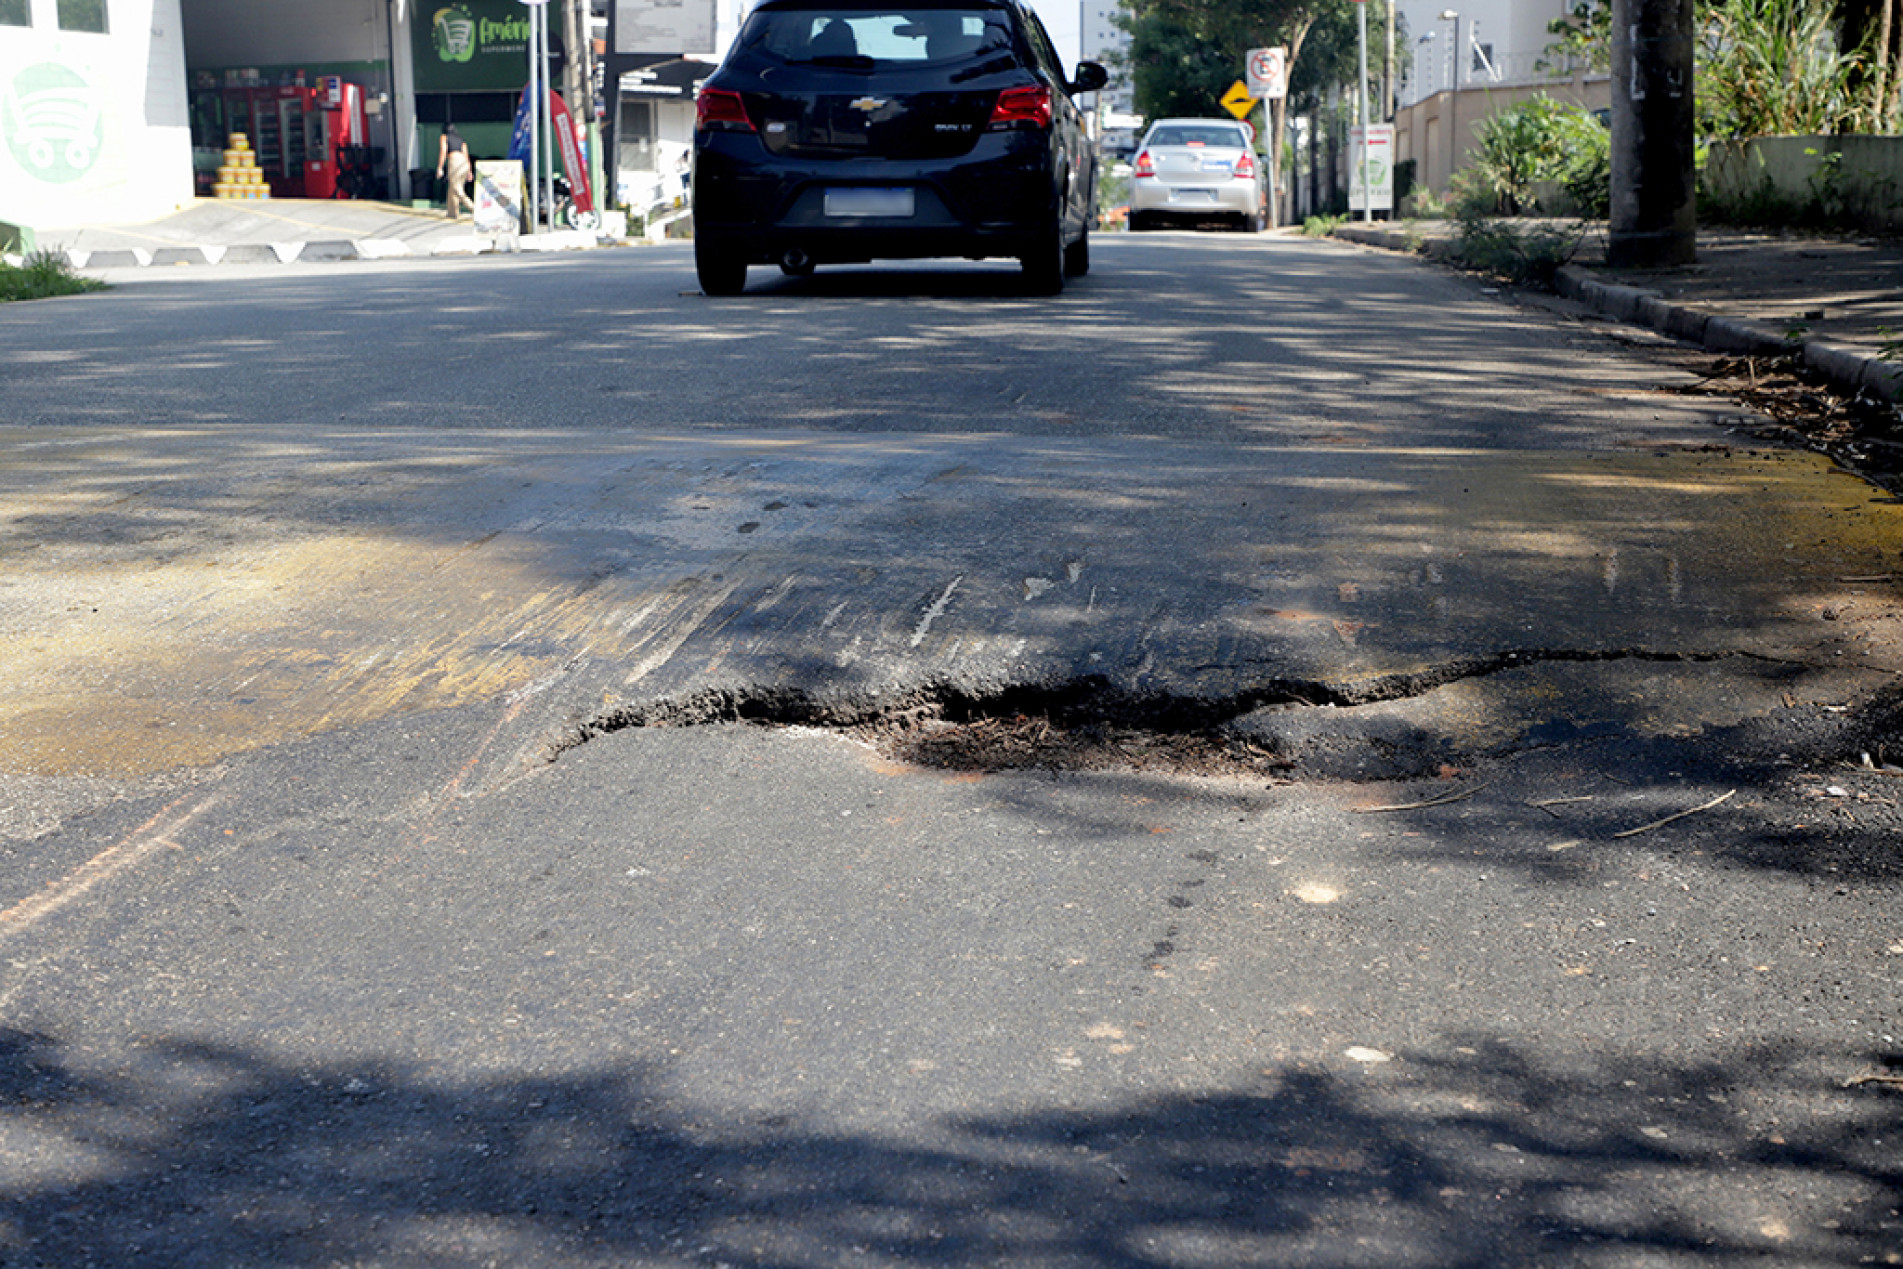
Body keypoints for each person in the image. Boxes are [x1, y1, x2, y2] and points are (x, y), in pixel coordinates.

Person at [437, 124, 474, 220]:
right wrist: (469, 171)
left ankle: (474, 208)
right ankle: (452, 213)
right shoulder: (461, 140)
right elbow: (466, 155)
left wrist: (440, 167)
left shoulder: (444, 137)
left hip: (454, 161)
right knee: (452, 188)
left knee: (456, 188)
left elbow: (443, 151)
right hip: (464, 163)